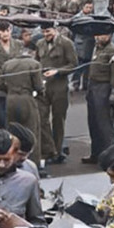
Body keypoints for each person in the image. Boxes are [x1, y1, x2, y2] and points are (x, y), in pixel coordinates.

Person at [36, 23, 77, 163]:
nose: (45, 34)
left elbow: (73, 65)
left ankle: (58, 151)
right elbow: (37, 62)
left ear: (55, 30)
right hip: (44, 86)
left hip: (59, 85)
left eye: (48, 31)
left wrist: (58, 71)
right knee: (42, 118)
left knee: (58, 119)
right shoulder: (40, 43)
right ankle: (49, 149)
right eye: (43, 31)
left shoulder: (66, 43)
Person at [82, 24, 114, 164]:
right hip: (93, 88)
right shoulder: (97, 48)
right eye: (97, 35)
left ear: (109, 36)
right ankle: (96, 154)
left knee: (104, 126)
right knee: (93, 124)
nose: (98, 37)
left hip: (104, 89)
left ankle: (111, 157)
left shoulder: (113, 50)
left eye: (102, 35)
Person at [0, 47, 44, 165]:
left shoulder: (6, 65)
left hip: (10, 100)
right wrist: (41, 92)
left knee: (13, 133)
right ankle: (33, 163)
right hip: (26, 99)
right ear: (32, 53)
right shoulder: (34, 64)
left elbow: (0, 85)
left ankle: (12, 161)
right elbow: (39, 86)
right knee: (32, 132)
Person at [0, 21, 23, 128]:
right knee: (0, 118)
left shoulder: (17, 44)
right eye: (2, 31)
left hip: (15, 85)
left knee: (15, 118)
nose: (5, 33)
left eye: (7, 30)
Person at [71, 0, 97, 91]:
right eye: (87, 7)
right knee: (79, 63)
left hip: (90, 43)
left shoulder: (93, 17)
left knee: (88, 64)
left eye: (91, 8)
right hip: (80, 43)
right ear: (83, 7)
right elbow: (73, 31)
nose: (89, 9)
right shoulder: (77, 17)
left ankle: (86, 83)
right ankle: (76, 82)